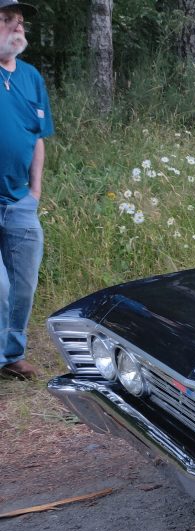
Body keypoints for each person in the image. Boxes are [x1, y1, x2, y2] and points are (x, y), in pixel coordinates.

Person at [0, 0, 52, 380]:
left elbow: (38, 139)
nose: (17, 29)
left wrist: (34, 192)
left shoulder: (31, 77)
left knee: (22, 286)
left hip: (20, 201)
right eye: (6, 21)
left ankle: (9, 355)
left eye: (18, 23)